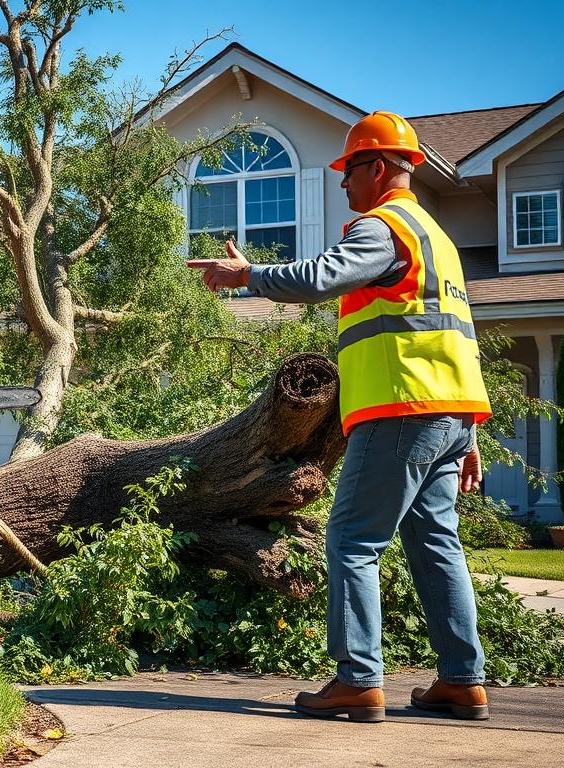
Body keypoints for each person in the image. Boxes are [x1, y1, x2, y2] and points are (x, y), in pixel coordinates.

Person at [188, 112, 492, 723]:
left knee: (352, 540)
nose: (342, 183)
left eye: (348, 169)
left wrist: (247, 275)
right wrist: (468, 433)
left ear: (378, 167)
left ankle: (357, 679)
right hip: (445, 411)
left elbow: (322, 276)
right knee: (436, 543)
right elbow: (457, 336)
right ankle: (462, 679)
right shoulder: (436, 237)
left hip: (400, 410)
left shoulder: (384, 230)